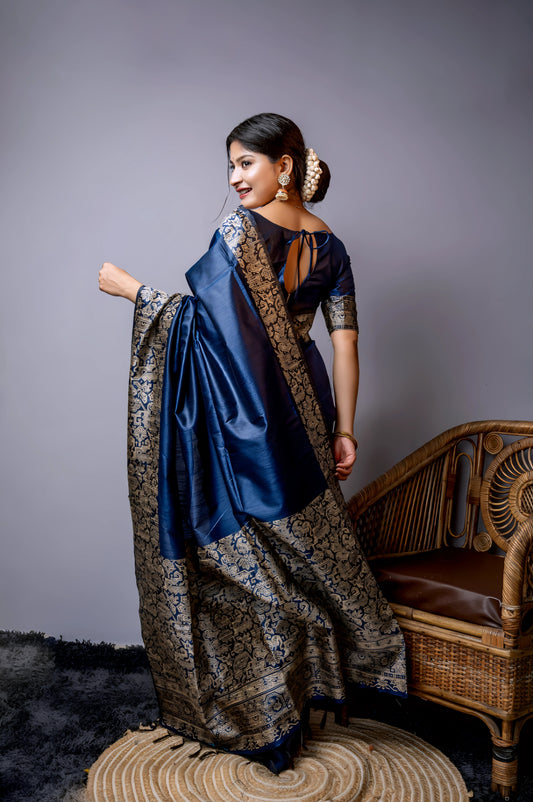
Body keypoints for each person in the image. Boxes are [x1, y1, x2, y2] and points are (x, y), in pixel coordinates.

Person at [99, 113, 406, 773]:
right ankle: (297, 702)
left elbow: (211, 333)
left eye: (245, 163)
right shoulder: (334, 248)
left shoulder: (238, 232)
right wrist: (344, 428)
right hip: (305, 411)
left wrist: (135, 293)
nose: (234, 178)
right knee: (289, 560)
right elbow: (344, 345)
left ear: (285, 166)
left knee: (245, 567)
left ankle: (262, 716)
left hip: (246, 411)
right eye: (231, 166)